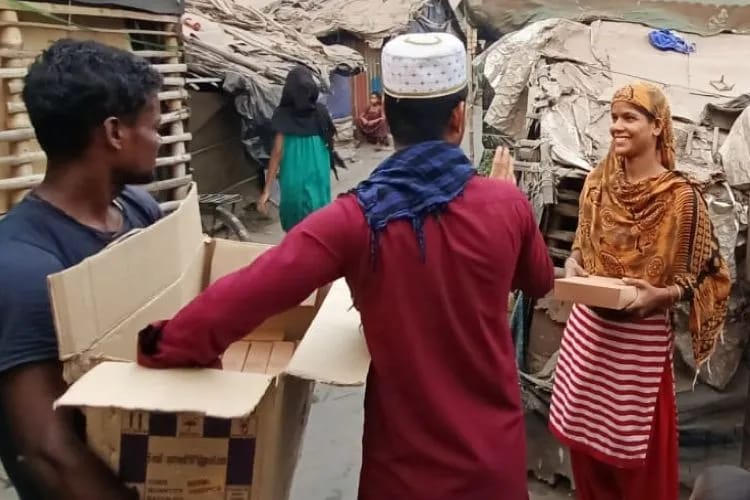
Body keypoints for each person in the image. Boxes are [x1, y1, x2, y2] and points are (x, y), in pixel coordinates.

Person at [137, 33, 554, 500]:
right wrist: (507, 203)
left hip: (401, 479)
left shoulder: (354, 219)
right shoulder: (504, 204)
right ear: (459, 118)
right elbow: (539, 279)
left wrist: (160, 343)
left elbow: (249, 293)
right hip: (492, 469)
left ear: (387, 118)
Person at [549, 82, 731, 500]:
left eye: (629, 117)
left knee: (640, 471)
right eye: (614, 117)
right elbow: (581, 245)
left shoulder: (682, 199)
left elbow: (708, 274)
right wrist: (575, 265)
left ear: (657, 125)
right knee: (588, 460)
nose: (617, 126)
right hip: (588, 339)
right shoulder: (597, 182)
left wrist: (662, 297)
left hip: (638, 349)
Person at [0, 39, 163, 499]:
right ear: (114, 132)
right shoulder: (23, 267)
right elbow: (47, 451)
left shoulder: (138, 210)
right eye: (155, 125)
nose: (161, 139)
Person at [258, 65, 342, 232]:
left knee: (295, 229)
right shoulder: (321, 113)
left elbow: (277, 153)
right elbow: (329, 143)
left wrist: (267, 190)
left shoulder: (282, 115)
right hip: (318, 180)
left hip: (293, 183)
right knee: (319, 225)